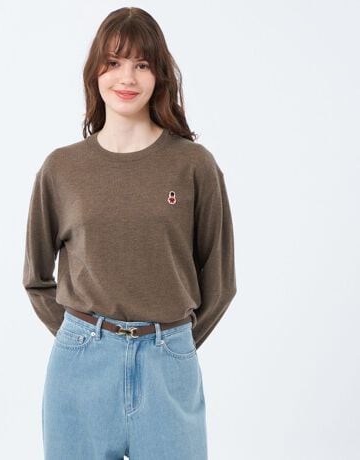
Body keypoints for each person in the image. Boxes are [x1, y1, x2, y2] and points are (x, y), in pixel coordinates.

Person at [22, 6, 237, 460]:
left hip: (168, 365)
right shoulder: (62, 169)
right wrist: (84, 338)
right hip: (80, 371)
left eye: (142, 64)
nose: (127, 77)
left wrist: (172, 343)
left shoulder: (193, 165)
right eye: (114, 62)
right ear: (95, 71)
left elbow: (220, 282)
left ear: (159, 75)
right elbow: (36, 277)